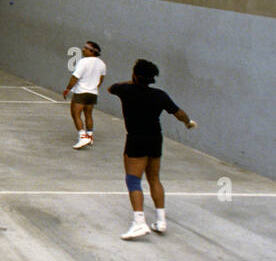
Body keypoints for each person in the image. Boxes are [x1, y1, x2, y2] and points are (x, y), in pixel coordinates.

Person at [107, 58, 197, 240]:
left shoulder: (125, 90)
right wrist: (188, 122)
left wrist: (132, 81)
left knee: (133, 181)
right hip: (155, 139)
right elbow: (179, 113)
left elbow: (111, 87)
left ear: (135, 75)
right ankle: (161, 221)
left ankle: (139, 223)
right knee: (154, 178)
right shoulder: (160, 95)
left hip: (136, 139)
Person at [62, 40, 106, 149]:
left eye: (86, 48)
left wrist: (67, 89)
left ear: (92, 51)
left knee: (75, 114)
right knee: (88, 115)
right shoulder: (102, 64)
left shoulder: (83, 62)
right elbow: (100, 80)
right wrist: (93, 88)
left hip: (81, 93)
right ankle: (90, 136)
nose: (83, 49)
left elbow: (75, 77)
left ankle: (83, 136)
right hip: (93, 93)